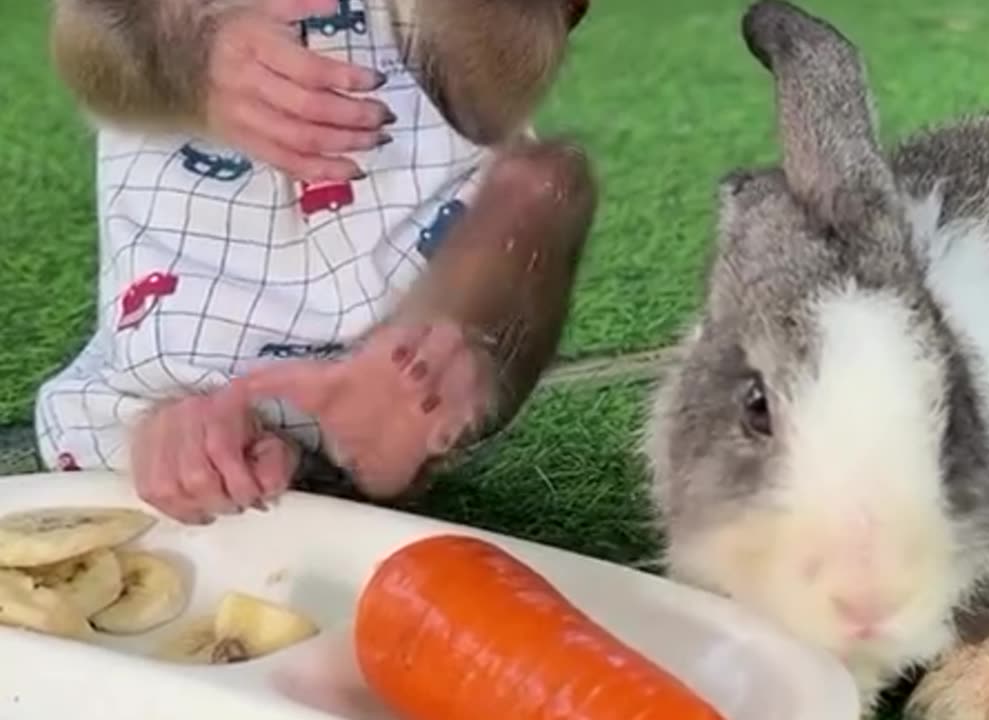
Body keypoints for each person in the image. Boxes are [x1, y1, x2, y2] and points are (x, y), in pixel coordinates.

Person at [36, 0, 595, 524]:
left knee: (543, 185)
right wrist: (191, 49)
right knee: (171, 413)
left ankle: (414, 398)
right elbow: (89, 39)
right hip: (201, 310)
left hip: (419, 296)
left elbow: (499, 85)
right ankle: (184, 428)